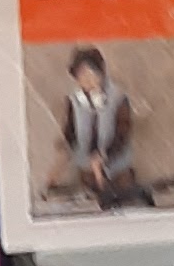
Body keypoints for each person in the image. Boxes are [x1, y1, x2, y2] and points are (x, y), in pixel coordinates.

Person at [44, 45, 143, 208]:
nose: (85, 80)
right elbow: (71, 134)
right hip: (88, 174)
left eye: (89, 74)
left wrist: (103, 156)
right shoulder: (74, 101)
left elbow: (122, 135)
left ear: (100, 72)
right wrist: (59, 162)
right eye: (80, 75)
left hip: (119, 173)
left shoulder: (118, 98)